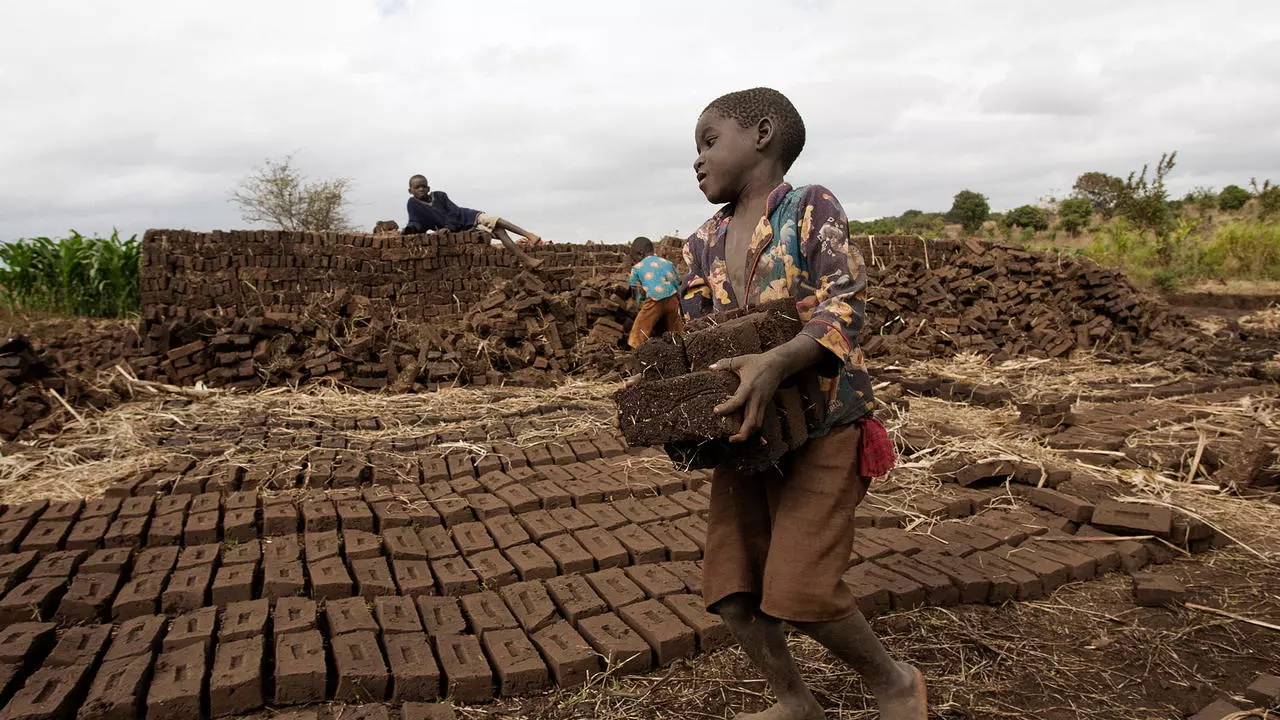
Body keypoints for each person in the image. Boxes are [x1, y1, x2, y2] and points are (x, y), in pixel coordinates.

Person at [679, 87, 926, 720]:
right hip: (749, 439)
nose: (698, 161)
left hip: (824, 427)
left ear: (761, 134)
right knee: (732, 590)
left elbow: (845, 305)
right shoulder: (700, 243)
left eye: (708, 142)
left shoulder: (809, 207)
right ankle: (795, 703)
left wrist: (778, 362)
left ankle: (896, 683)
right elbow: (701, 341)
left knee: (801, 588)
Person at [403, 174, 543, 268]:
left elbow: (453, 211)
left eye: (423, 186)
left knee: (494, 221)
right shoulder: (413, 204)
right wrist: (408, 230)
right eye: (417, 187)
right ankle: (527, 260)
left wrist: (448, 227)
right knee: (498, 231)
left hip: (468, 216)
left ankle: (529, 235)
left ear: (428, 188)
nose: (421, 189)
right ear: (410, 190)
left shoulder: (439, 196)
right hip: (463, 229)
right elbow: (416, 222)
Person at [626, 236, 684, 348]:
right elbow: (677, 283)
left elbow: (636, 290)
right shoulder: (668, 263)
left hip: (654, 300)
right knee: (676, 329)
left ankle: (634, 349)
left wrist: (640, 305)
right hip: (672, 299)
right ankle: (681, 345)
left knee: (640, 329)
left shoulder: (637, 267)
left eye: (634, 258)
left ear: (640, 255)